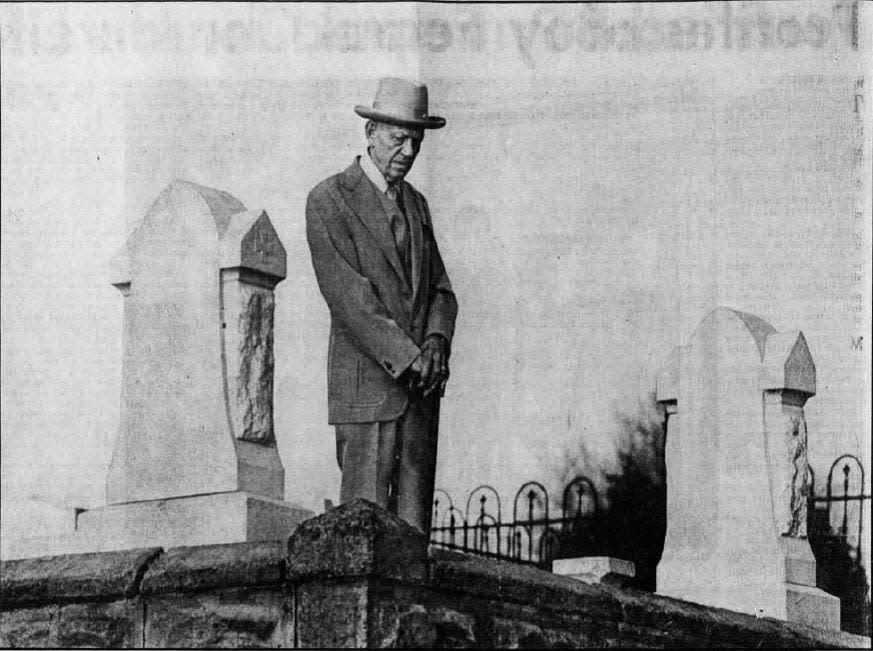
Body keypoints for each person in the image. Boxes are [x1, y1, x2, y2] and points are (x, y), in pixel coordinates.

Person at [305, 77, 458, 532]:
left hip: (421, 400)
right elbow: (351, 300)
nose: (409, 151)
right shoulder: (329, 200)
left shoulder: (418, 206)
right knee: (363, 536)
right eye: (398, 138)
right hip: (366, 399)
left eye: (417, 140)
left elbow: (441, 290)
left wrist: (436, 341)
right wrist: (412, 360)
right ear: (370, 132)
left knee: (413, 541)